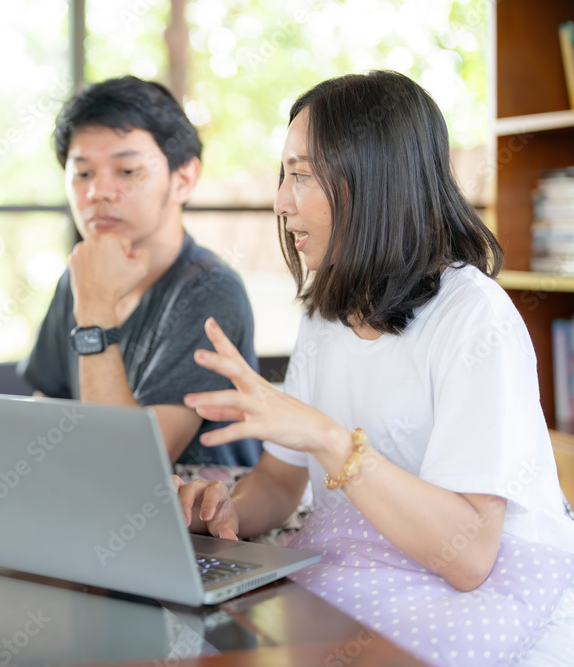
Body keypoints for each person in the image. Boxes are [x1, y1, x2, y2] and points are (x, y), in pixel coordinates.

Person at [175, 71, 574, 666]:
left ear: (374, 183)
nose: (281, 200)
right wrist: (225, 509)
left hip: (486, 582)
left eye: (302, 175)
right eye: (284, 174)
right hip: (366, 563)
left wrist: (329, 439)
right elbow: (282, 486)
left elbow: (468, 559)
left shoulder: (473, 317)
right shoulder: (326, 311)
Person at [19, 75, 261, 471]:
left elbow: (129, 466)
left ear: (183, 179)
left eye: (127, 171)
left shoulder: (211, 290)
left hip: (204, 527)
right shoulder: (80, 276)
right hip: (92, 509)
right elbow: (47, 406)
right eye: (82, 173)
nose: (98, 192)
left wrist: (94, 312)